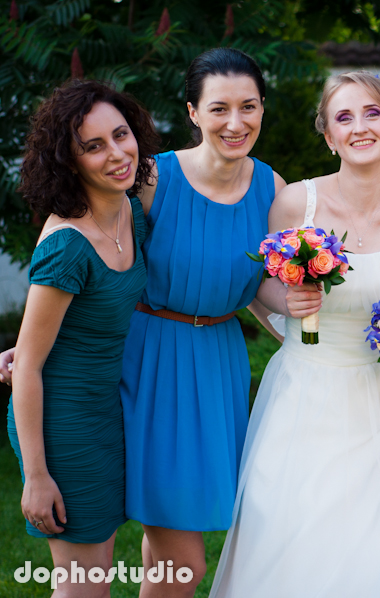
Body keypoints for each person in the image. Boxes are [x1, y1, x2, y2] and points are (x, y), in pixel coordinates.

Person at [208, 71, 380, 598]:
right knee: (290, 535)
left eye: (372, 114)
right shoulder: (297, 204)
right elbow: (264, 290)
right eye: (344, 117)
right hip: (306, 394)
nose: (359, 127)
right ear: (328, 136)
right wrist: (290, 306)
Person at [119, 48, 286, 596]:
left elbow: (258, 280)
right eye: (219, 109)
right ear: (193, 112)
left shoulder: (273, 189)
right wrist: (42, 343)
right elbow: (99, 265)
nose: (235, 123)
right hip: (149, 357)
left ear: (263, 109)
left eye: (248, 107)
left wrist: (299, 306)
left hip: (218, 362)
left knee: (168, 543)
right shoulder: (150, 178)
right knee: (183, 560)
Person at [7, 80, 158, 596]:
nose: (116, 154)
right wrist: (36, 475)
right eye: (93, 147)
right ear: (69, 161)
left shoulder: (130, 212)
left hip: (106, 413)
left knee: (94, 578)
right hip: (62, 426)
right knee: (82, 588)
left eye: (121, 135)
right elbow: (26, 366)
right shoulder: (68, 244)